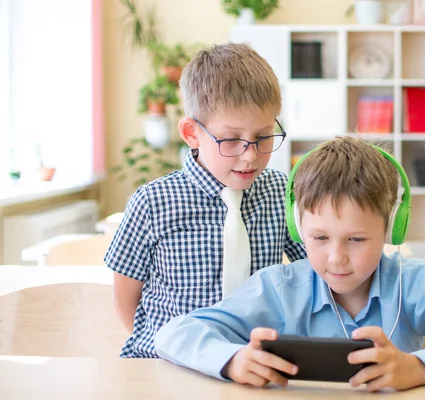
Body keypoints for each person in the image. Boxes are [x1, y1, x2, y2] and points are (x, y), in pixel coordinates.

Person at [154, 136, 425, 392]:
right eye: (320, 238)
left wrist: (419, 368)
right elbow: (176, 332)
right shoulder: (280, 287)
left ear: (391, 228)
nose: (336, 257)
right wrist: (232, 359)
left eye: (356, 239)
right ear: (298, 228)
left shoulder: (413, 282)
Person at [104, 43, 306, 358]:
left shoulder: (280, 194)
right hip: (166, 361)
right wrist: (173, 351)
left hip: (252, 361)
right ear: (192, 133)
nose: (250, 155)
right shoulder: (152, 202)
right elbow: (125, 300)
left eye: (263, 137)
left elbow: (317, 263)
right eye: (231, 139)